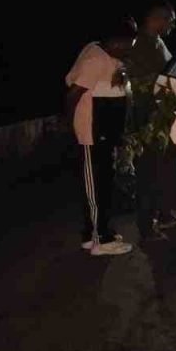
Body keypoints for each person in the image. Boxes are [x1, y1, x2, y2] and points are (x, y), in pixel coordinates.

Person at [65, 18, 137, 256]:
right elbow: (73, 94)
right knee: (96, 187)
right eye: (127, 45)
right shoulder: (95, 59)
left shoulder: (107, 53)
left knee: (103, 183)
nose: (129, 50)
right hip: (91, 132)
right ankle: (101, 240)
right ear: (115, 42)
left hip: (104, 132)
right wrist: (70, 126)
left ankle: (92, 234)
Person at [126, 0, 176, 242]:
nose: (172, 25)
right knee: (149, 174)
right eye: (170, 20)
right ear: (156, 18)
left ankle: (165, 216)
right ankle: (147, 227)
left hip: (164, 121)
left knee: (168, 169)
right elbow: (137, 84)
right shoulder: (139, 45)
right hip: (148, 122)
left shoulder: (158, 43)